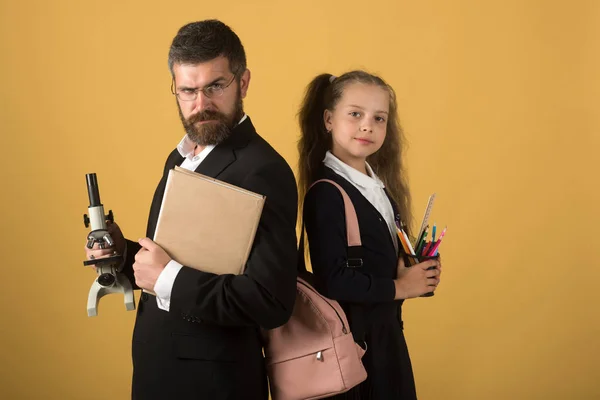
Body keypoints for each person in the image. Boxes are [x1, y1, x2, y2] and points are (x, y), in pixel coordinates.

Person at [84, 19, 298, 400]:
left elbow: (271, 300)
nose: (201, 105)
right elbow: (179, 262)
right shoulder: (180, 156)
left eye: (215, 86)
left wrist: (166, 277)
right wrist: (123, 255)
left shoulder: (264, 170)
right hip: (159, 374)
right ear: (175, 89)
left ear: (243, 82)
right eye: (188, 90)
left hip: (214, 386)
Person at [297, 71, 442, 399]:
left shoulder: (376, 187)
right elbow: (333, 280)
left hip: (385, 339)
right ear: (329, 120)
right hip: (355, 351)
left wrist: (415, 268)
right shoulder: (327, 193)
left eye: (379, 118)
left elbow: (374, 261)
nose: (368, 126)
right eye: (355, 114)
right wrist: (401, 286)